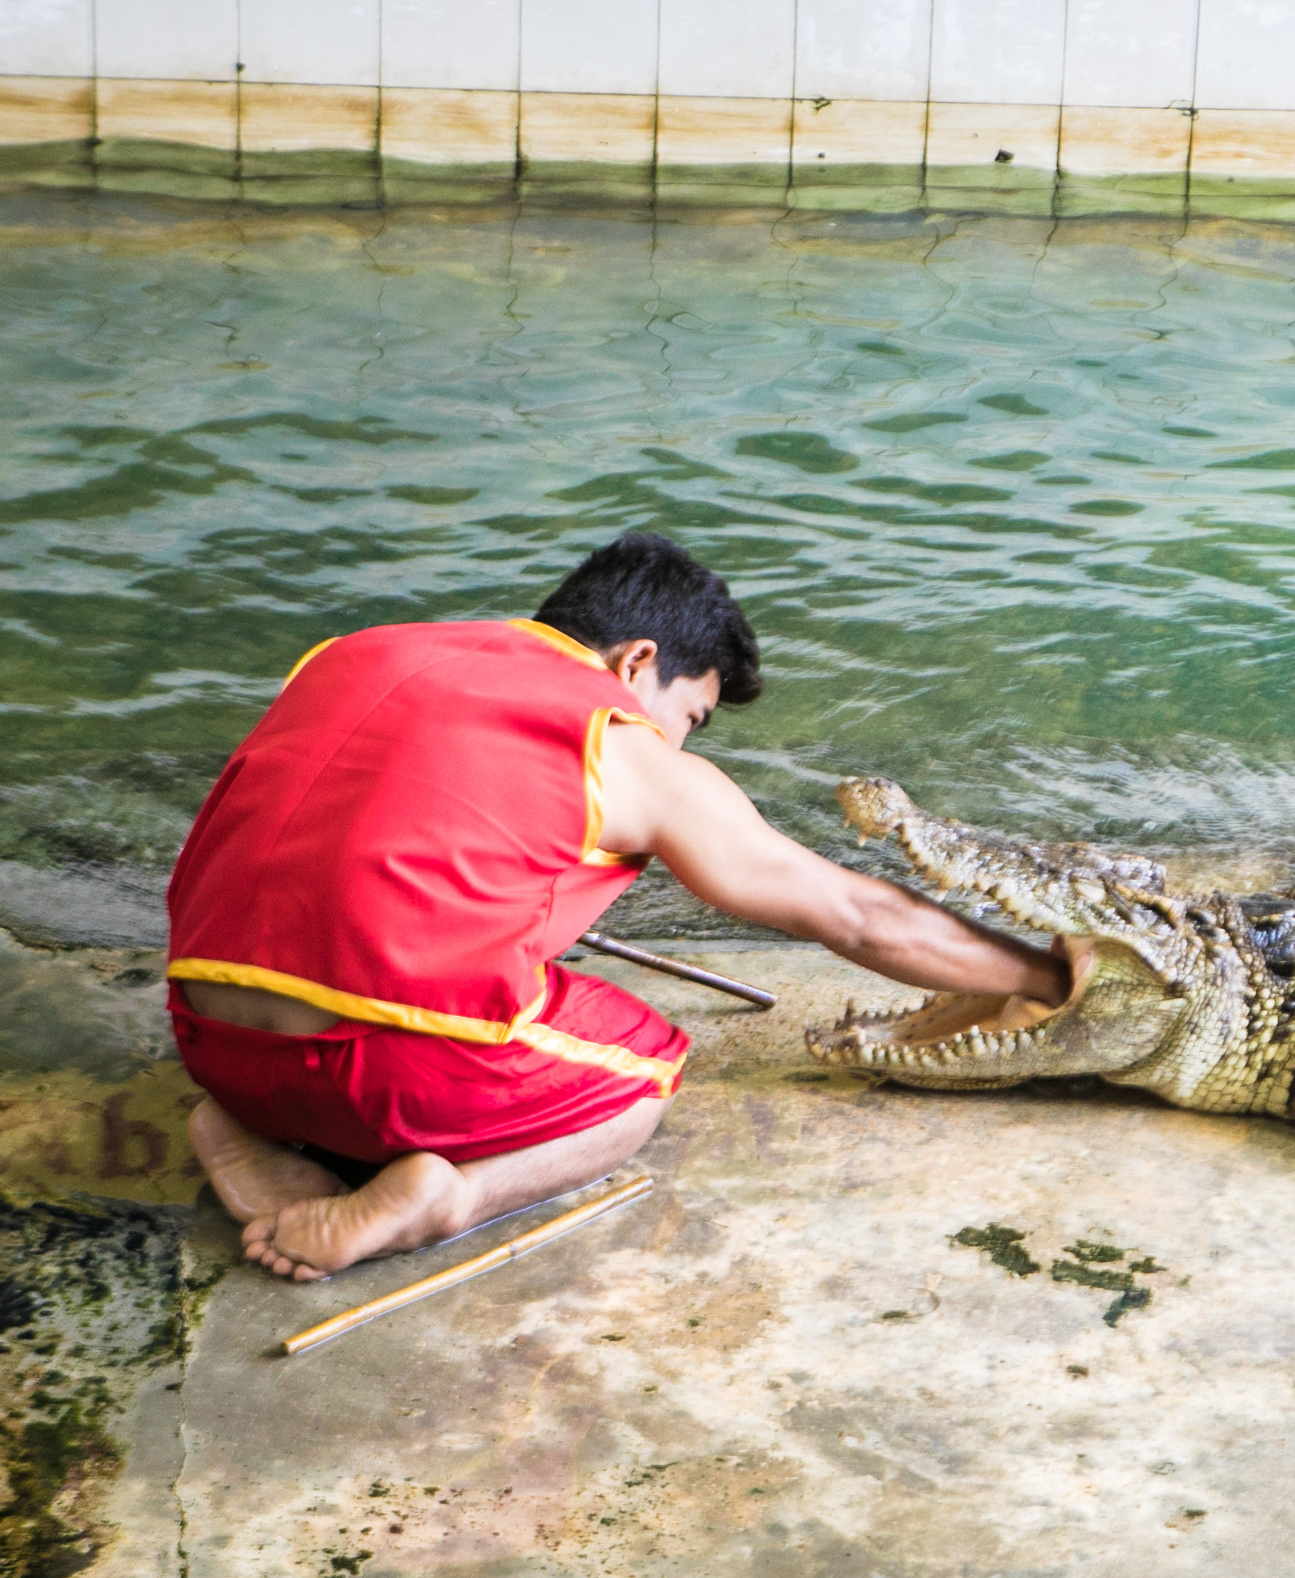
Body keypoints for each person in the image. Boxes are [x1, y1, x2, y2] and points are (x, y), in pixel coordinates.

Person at [165, 531, 1066, 1283]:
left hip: (209, 1040)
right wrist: (1052, 976)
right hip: (384, 1080)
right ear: (637, 663)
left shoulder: (354, 652)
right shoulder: (620, 742)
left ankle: (244, 1122)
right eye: (692, 716)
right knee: (644, 1070)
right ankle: (442, 1204)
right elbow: (856, 916)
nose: (678, 739)